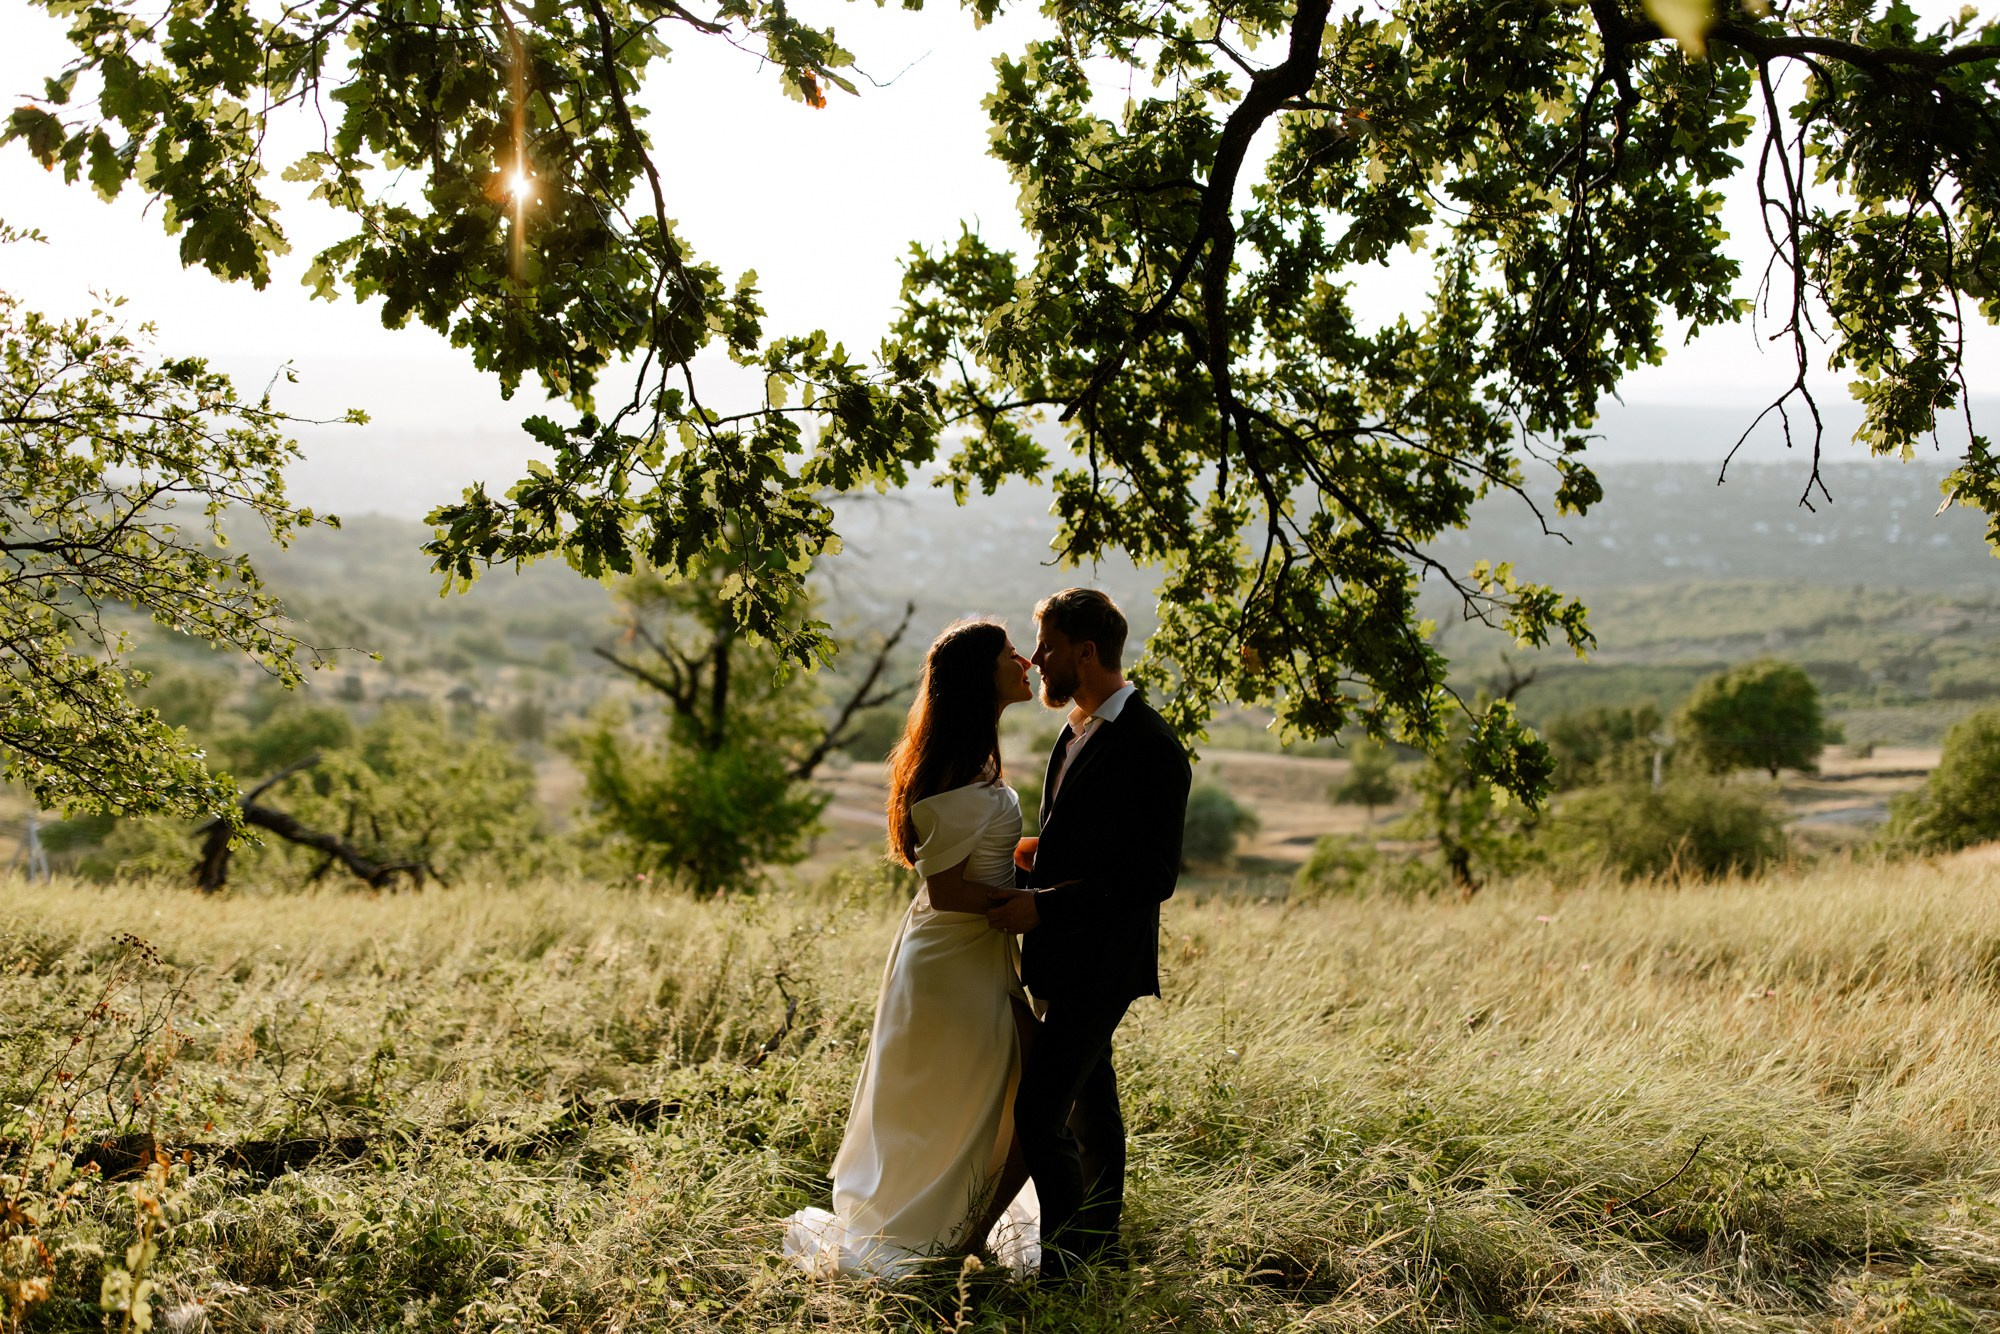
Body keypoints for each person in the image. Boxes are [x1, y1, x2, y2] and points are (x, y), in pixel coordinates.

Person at [783, 617, 1043, 1278]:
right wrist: (1032, 905)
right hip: (955, 959)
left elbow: (971, 860)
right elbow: (952, 891)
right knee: (988, 1092)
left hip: (963, 953)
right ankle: (947, 1233)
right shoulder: (959, 769)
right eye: (1009, 652)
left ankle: (964, 1228)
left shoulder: (971, 760)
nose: (1024, 659)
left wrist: (1021, 864)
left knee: (1003, 1091)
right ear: (980, 676)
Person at [987, 588, 1191, 1282]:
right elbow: (1090, 844)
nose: (1036, 658)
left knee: (1039, 1112)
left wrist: (1045, 907)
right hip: (1067, 957)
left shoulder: (1151, 744)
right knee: (1090, 1109)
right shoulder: (1078, 730)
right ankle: (1101, 1249)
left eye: (1046, 645)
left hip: (1103, 959)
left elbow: (1151, 877)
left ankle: (1067, 1272)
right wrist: (1030, 862)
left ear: (1085, 651)